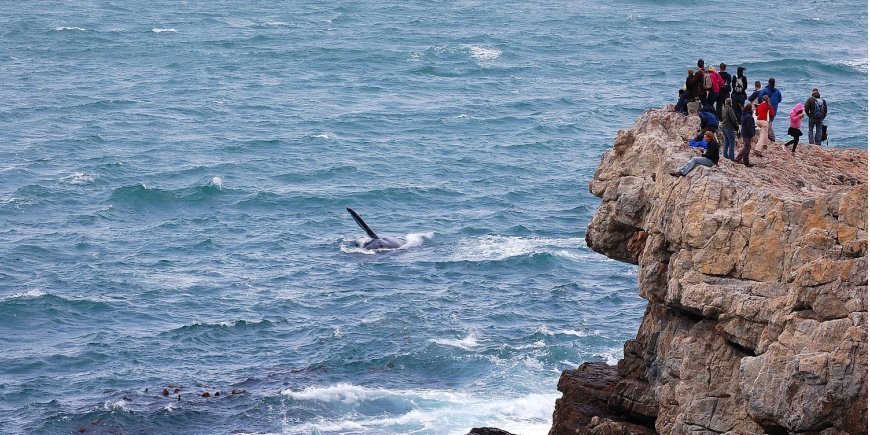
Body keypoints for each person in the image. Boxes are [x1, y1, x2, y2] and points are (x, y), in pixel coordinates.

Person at [735, 103, 756, 167]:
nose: (753, 109)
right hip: (747, 134)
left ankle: (741, 159)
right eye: (752, 108)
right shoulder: (749, 117)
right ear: (750, 109)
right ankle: (743, 161)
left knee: (747, 147)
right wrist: (752, 133)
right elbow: (749, 127)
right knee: (747, 147)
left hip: (744, 132)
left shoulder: (744, 114)